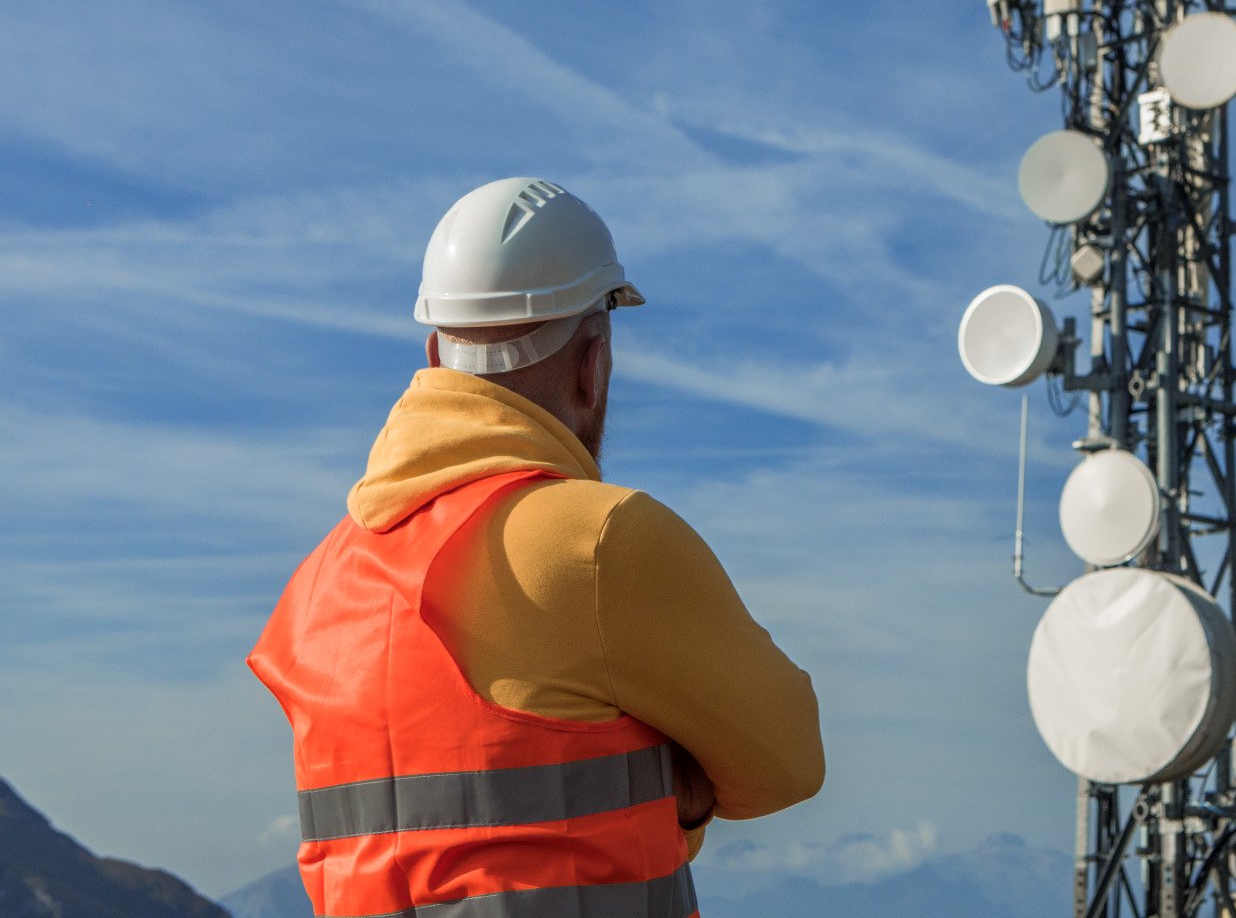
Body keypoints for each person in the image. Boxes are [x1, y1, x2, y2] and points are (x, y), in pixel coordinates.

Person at [249, 178, 823, 918]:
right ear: (594, 363)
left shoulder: (315, 588)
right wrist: (667, 795)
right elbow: (789, 763)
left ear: (433, 350)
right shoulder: (599, 540)